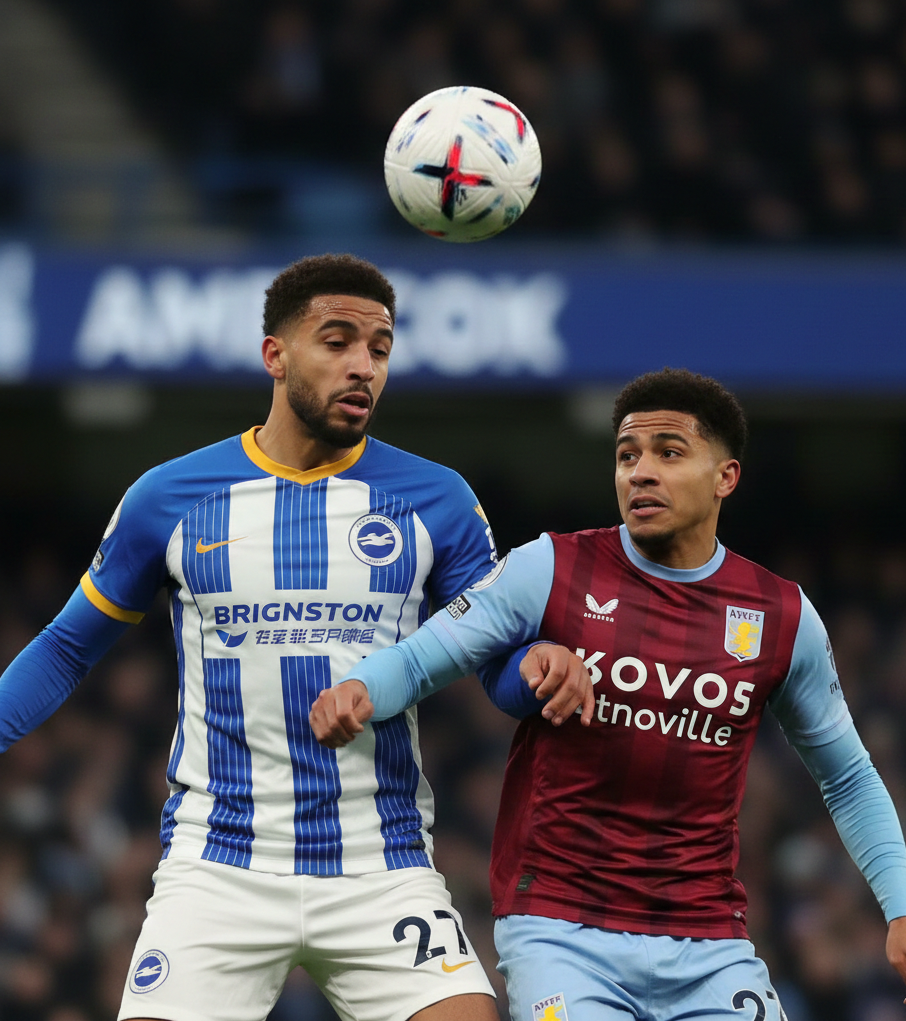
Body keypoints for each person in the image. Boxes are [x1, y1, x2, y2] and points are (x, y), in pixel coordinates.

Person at [0, 253, 589, 1021]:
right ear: (275, 355)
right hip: (219, 868)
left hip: (382, 864)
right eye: (337, 341)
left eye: (379, 348)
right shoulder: (170, 497)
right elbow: (68, 647)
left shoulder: (437, 500)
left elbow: (495, 669)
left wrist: (538, 668)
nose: (363, 367)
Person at [311, 367, 906, 1021]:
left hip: (709, 942)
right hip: (560, 931)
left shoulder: (781, 616)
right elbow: (422, 658)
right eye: (627, 455)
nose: (640, 472)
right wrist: (359, 689)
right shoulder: (551, 568)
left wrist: (903, 911)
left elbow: (847, 775)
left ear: (725, 477)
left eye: (669, 453)